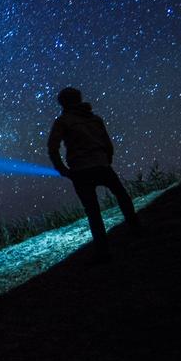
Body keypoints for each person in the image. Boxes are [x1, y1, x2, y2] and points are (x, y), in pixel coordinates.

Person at [47, 87, 142, 262]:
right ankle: (137, 230)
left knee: (92, 211)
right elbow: (107, 142)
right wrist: (106, 159)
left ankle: (103, 251)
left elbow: (52, 148)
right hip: (101, 164)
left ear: (63, 103)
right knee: (122, 197)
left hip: (80, 170)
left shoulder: (63, 121)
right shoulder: (95, 119)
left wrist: (63, 169)